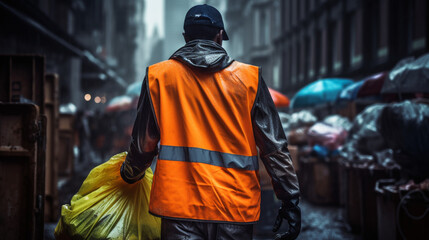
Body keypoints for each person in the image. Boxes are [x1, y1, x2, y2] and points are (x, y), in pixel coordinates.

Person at [120, 4, 300, 240]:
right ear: (219, 37)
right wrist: (290, 198)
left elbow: (143, 143)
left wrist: (130, 175)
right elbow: (274, 147)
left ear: (186, 37)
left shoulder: (158, 77)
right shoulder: (249, 80)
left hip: (179, 207)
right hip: (234, 206)